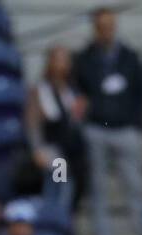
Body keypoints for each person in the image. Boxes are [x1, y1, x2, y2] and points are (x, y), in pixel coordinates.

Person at [73, 6, 142, 235]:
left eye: (110, 27)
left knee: (134, 186)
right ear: (95, 29)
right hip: (98, 128)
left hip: (125, 128)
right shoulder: (84, 59)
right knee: (98, 188)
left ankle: (141, 234)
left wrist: (137, 125)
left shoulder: (129, 56)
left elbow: (140, 92)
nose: (106, 32)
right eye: (101, 27)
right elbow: (80, 93)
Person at [26, 45, 87, 214]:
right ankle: (53, 220)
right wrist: (37, 149)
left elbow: (75, 122)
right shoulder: (40, 90)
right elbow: (33, 123)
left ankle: (62, 221)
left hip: (71, 150)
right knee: (59, 186)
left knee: (71, 190)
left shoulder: (70, 90)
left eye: (65, 60)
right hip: (53, 151)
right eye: (58, 60)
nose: (62, 64)